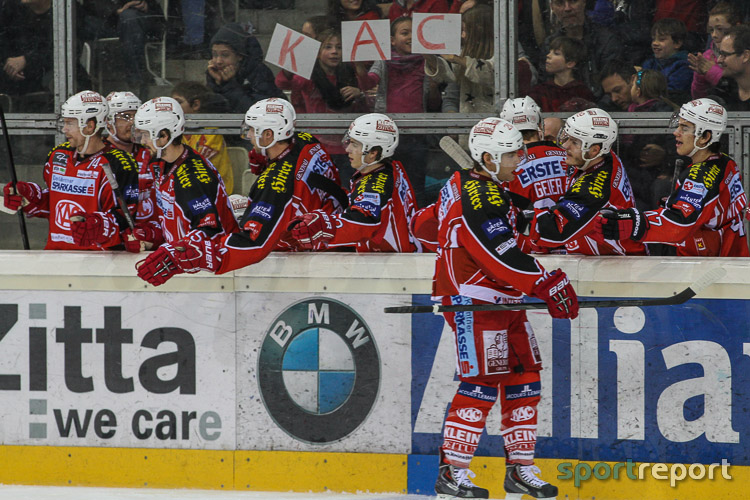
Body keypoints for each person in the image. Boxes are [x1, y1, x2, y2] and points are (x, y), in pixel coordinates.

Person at [410, 116, 578, 500]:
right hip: (474, 300)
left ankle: (520, 468)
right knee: (483, 380)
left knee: (524, 375)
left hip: (502, 298)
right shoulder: (479, 195)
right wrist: (544, 282)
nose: (520, 158)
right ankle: (452, 471)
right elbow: (498, 253)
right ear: (487, 157)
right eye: (511, 153)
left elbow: (424, 226)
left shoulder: (475, 187)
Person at [136, 98, 346, 285]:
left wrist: (200, 256)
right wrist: (267, 159)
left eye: (254, 130)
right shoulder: (306, 141)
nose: (249, 136)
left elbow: (253, 243)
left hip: (313, 258)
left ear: (270, 134)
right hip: (329, 231)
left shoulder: (273, 184)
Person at [594, 98, 749, 257]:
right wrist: (677, 200)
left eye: (685, 128)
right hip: (730, 257)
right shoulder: (725, 162)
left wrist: (635, 223)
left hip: (709, 268)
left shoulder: (699, 176)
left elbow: (680, 223)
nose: (676, 132)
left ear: (705, 137)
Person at [1, 90, 139, 250]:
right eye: (64, 123)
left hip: (99, 263)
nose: (64, 129)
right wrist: (30, 196)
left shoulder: (119, 164)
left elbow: (126, 221)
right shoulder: (58, 155)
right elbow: (54, 203)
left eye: (70, 123)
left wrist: (98, 225)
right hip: (56, 256)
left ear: (90, 126)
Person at [123, 96, 238, 264]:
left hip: (211, 273)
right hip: (184, 264)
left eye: (146, 135)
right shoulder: (161, 163)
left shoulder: (193, 178)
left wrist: (171, 254)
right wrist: (150, 236)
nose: (143, 142)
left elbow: (210, 233)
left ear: (164, 136)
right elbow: (172, 223)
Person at [522, 108, 647, 256]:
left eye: (574, 142)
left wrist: (513, 219)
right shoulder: (599, 157)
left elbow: (553, 232)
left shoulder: (594, 191)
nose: (565, 146)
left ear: (594, 150)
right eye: (567, 137)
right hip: (602, 259)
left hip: (617, 267)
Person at [288, 113, 419, 252]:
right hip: (405, 252)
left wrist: (324, 225)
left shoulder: (373, 187)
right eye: (349, 142)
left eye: (355, 144)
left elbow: (362, 223)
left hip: (394, 264)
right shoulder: (390, 167)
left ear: (373, 152)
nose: (347, 149)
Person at [500, 96, 568, 253]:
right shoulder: (568, 155)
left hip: (532, 247)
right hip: (571, 245)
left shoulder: (508, 165)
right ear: (539, 125)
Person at [103, 90, 162, 251]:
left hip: (151, 240)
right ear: (108, 122)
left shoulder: (152, 152)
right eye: (125, 117)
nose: (133, 123)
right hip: (113, 243)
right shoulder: (101, 156)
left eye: (136, 116)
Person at [424, 5, 495, 116]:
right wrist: (429, 57)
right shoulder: (464, 53)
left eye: (465, 30)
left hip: (496, 124)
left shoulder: (503, 53)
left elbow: (489, 74)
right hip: (468, 125)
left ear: (480, 29)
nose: (462, 35)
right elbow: (448, 77)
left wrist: (457, 59)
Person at [542, 0, 622, 97]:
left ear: (584, 2)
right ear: (552, 7)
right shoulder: (550, 44)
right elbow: (544, 84)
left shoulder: (606, 40)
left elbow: (614, 87)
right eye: (560, 3)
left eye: (573, 1)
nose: (567, 8)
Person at [206, 22, 284, 113]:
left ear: (239, 56)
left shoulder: (259, 73)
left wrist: (229, 86)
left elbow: (258, 112)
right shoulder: (213, 73)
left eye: (225, 55)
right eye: (214, 55)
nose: (218, 61)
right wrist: (216, 84)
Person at [171, 81, 234, 193]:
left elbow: (197, 168)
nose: (172, 108)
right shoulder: (178, 131)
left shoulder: (211, 132)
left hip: (215, 194)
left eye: (178, 102)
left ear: (196, 105)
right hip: (187, 190)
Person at [688, 2, 740, 99]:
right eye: (711, 30)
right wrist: (700, 77)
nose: (714, 35)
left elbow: (740, 91)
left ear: (737, 27)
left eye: (720, 29)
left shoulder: (743, 54)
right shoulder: (707, 57)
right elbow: (698, 99)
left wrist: (712, 72)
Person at [528, 36, 595, 112]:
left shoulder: (582, 92)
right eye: (550, 51)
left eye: (556, 53)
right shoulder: (539, 91)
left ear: (570, 63)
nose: (548, 55)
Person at [115, 0, 165, 93]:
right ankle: (137, 80)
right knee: (128, 18)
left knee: (129, 19)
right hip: (111, 21)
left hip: (144, 18)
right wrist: (120, 9)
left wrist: (144, 3)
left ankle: (136, 81)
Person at [641, 18, 691, 102]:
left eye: (661, 39)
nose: (655, 43)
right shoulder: (649, 64)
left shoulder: (684, 67)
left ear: (677, 43)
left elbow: (672, 93)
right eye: (653, 39)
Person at [708, 25, 750, 111]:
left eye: (725, 55)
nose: (719, 60)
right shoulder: (722, 91)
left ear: (745, 56)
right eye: (720, 54)